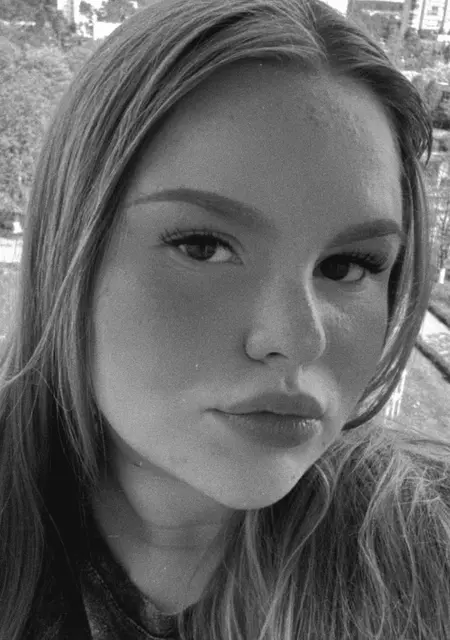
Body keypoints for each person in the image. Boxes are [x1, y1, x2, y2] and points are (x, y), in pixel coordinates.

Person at [1, 0, 449, 637]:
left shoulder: (428, 556)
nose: (298, 338)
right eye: (202, 246)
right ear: (67, 247)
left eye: (348, 264)